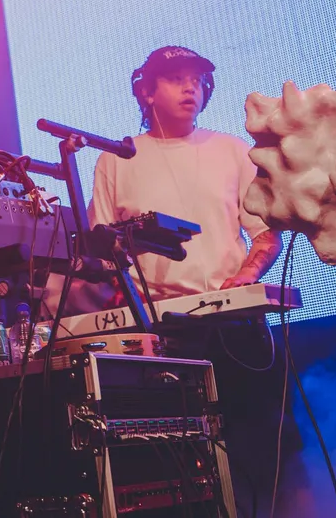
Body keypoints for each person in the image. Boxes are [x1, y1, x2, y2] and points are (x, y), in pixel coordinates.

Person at [85, 45, 286, 515]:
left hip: (234, 326)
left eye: (196, 79)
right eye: (176, 78)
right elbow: (101, 251)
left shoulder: (231, 149)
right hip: (159, 333)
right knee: (170, 464)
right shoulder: (117, 158)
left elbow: (265, 234)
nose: (190, 87)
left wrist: (244, 277)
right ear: (146, 91)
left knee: (258, 451)